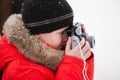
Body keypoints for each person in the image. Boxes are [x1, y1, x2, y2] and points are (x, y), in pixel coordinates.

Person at [0, 0, 94, 80]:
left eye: (69, 31)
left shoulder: (54, 54)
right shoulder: (22, 72)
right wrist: (73, 65)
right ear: (37, 34)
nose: (67, 38)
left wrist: (83, 59)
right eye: (62, 32)